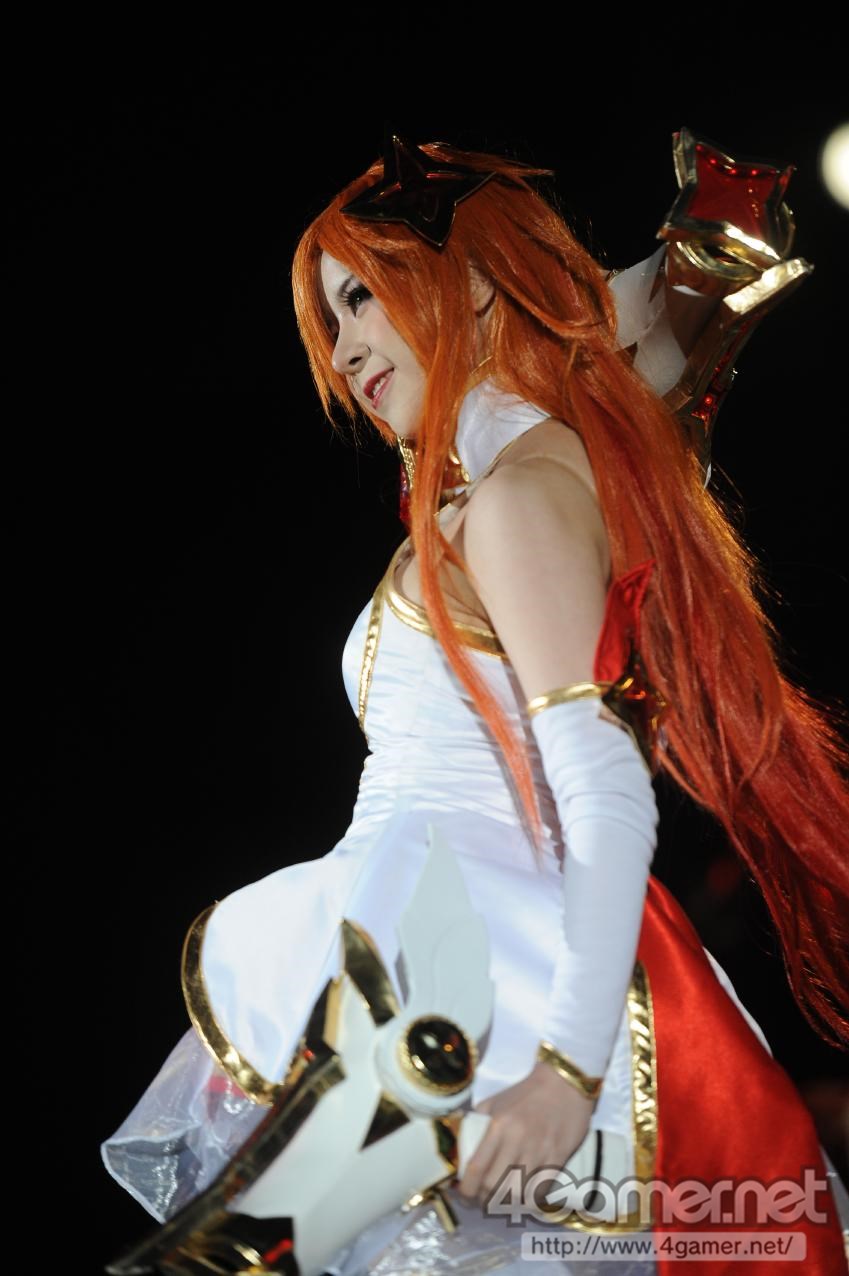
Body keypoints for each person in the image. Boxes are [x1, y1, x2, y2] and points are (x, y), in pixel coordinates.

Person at [102, 133, 849, 1275]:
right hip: (436, 966)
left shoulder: (517, 497)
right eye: (331, 318)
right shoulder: (514, 480)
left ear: (474, 285)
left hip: (480, 985)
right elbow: (610, 342)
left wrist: (566, 1072)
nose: (346, 349)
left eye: (364, 296)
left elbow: (604, 788)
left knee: (230, 1258)